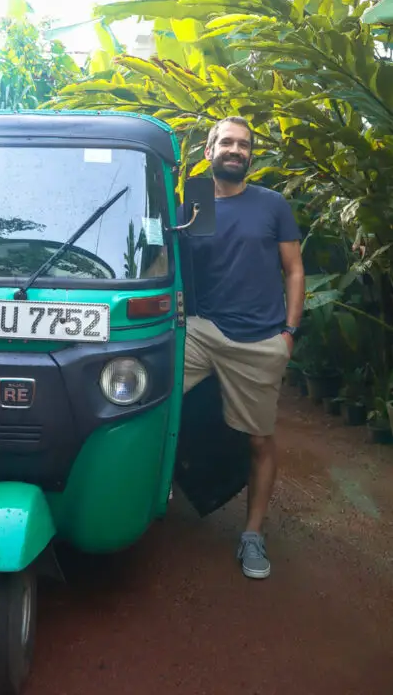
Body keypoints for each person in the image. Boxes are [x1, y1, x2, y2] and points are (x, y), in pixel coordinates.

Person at [183, 117, 304, 579]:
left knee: (258, 439)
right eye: (227, 142)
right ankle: (151, 495)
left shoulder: (270, 205)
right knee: (144, 402)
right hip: (200, 330)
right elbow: (177, 262)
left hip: (258, 337)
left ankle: (252, 533)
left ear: (251, 155)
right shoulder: (195, 202)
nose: (237, 150)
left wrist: (288, 332)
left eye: (245, 145)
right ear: (210, 149)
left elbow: (293, 269)